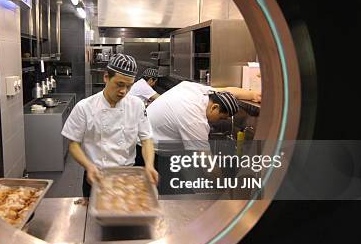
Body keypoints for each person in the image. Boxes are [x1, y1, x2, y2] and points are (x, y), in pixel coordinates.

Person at [61, 54, 159, 198]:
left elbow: (146, 139)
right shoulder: (84, 107)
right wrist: (88, 166)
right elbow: (73, 144)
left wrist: (149, 165)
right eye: (119, 84)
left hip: (128, 177)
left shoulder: (136, 105)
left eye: (129, 86)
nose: (123, 91)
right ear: (106, 77)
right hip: (96, 176)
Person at [147, 81, 260, 153]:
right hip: (147, 150)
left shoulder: (201, 92)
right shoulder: (194, 119)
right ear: (214, 107)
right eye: (221, 118)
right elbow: (206, 164)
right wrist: (224, 186)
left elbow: (228, 90)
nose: (219, 121)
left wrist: (253, 95)